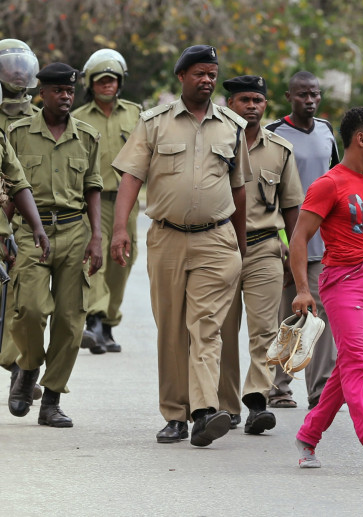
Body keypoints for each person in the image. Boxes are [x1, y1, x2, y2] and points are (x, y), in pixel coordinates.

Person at [110, 45, 251, 447]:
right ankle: (175, 415)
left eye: (212, 74)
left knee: (205, 327)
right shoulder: (153, 123)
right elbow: (131, 179)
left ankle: (204, 411)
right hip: (167, 237)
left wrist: (239, 247)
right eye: (199, 73)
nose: (207, 80)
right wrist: (121, 229)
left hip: (217, 239)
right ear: (181, 77)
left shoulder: (232, 126)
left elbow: (239, 191)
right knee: (171, 329)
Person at [291, 106, 363, 470]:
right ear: (361, 139)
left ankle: (308, 435)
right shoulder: (329, 184)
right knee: (357, 364)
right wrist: (301, 289)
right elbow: (299, 238)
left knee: (349, 366)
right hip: (343, 285)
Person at [6, 62, 102, 427]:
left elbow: (93, 186)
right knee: (28, 309)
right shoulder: (17, 133)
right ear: (40, 93)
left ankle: (51, 400)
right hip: (31, 231)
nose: (65, 97)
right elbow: (9, 187)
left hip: (74, 229)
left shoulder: (88, 136)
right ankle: (28, 368)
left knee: (70, 319)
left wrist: (96, 236)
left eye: (70, 91)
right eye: (58, 91)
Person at [218, 75, 304, 432]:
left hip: (264, 247)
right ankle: (225, 406)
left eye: (258, 100)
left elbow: (293, 210)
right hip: (220, 247)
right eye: (244, 100)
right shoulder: (215, 143)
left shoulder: (280, 150)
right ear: (230, 104)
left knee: (265, 331)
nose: (252, 106)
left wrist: (294, 259)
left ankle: (256, 401)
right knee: (221, 331)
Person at [265, 70, 339, 410]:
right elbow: (264, 194)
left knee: (318, 313)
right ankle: (277, 387)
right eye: (302, 95)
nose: (309, 101)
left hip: (320, 243)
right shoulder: (273, 134)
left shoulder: (326, 131)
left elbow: (339, 181)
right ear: (288, 97)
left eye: (314, 95)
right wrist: (278, 238)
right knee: (283, 312)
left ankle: (319, 389)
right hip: (282, 240)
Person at [73, 48, 142, 354]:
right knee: (94, 256)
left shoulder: (137, 114)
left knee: (122, 261)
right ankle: (95, 322)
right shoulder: (76, 118)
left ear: (119, 83)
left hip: (127, 202)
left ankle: (109, 323)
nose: (107, 85)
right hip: (93, 200)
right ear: (90, 83)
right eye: (101, 80)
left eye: (112, 80)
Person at [0, 38, 43, 401]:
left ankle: (20, 364)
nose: (16, 72)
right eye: (8, 66)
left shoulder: (42, 118)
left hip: (28, 221)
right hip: (3, 216)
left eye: (21, 66)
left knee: (22, 299)